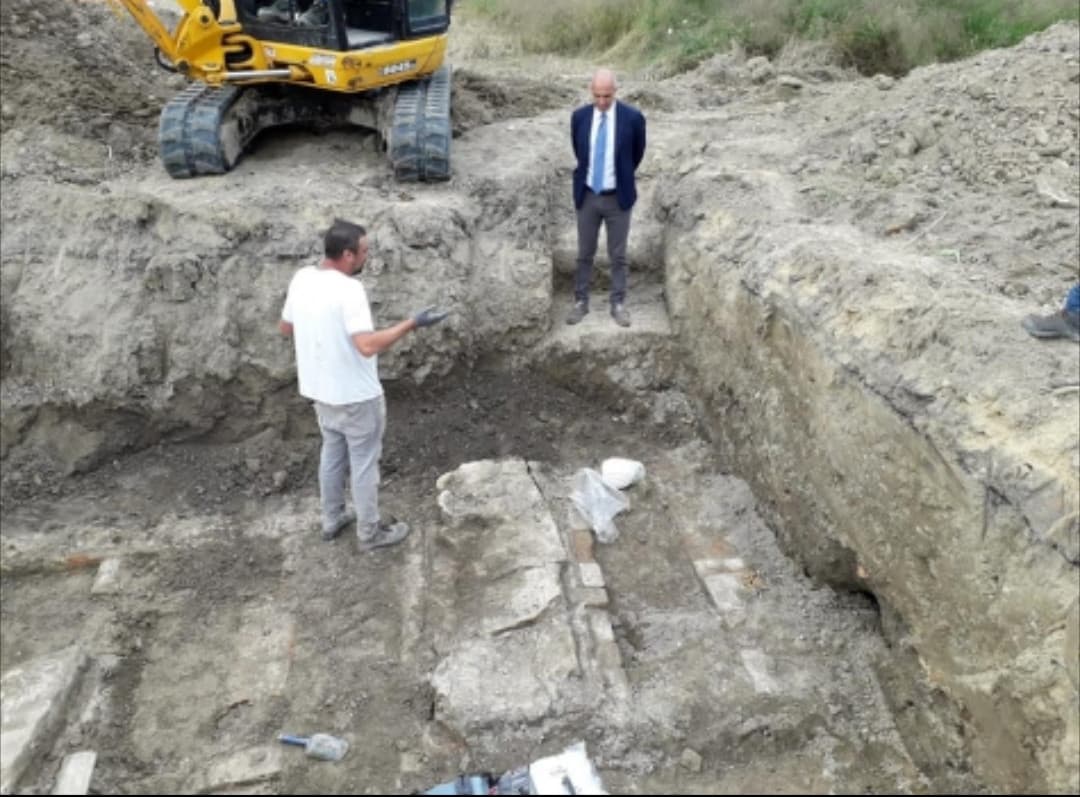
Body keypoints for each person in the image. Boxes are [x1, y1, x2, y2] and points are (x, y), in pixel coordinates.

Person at [279, 219, 448, 551]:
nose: (367, 258)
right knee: (364, 463)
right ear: (347, 255)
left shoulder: (302, 278)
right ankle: (370, 534)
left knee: (332, 453)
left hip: (320, 392)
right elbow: (367, 345)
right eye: (364, 252)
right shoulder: (350, 290)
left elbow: (286, 328)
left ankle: (332, 519)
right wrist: (413, 323)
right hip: (356, 396)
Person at [567, 68, 647, 328]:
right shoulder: (579, 117)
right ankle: (581, 301)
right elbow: (580, 152)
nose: (601, 102)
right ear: (591, 91)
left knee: (618, 255)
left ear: (615, 91)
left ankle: (618, 303)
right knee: (584, 253)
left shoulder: (632, 118)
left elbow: (637, 154)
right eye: (597, 96)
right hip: (588, 195)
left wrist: (619, 178)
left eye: (607, 96)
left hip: (617, 198)